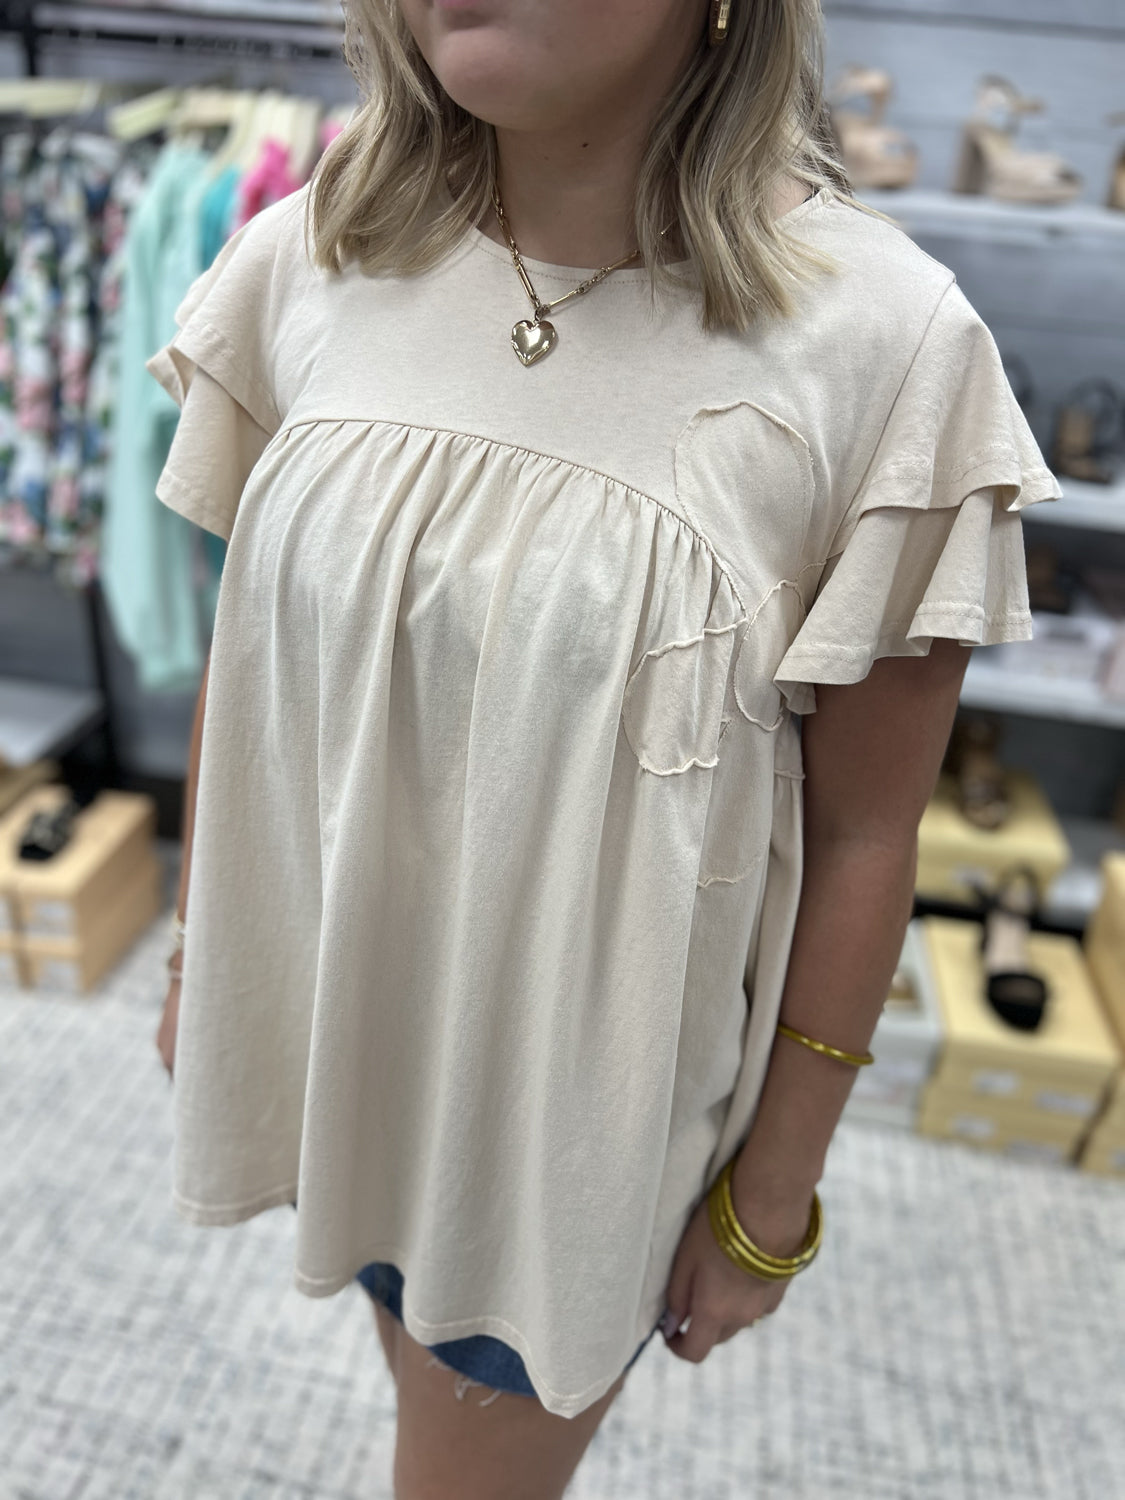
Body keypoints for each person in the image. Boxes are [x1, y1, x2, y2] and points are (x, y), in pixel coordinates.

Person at [151, 1, 1061, 1496]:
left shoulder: (887, 346)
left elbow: (864, 831)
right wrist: (205, 955)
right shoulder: (319, 247)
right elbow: (255, 657)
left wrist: (774, 1194)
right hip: (346, 1040)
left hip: (569, 1137)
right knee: (410, 1364)